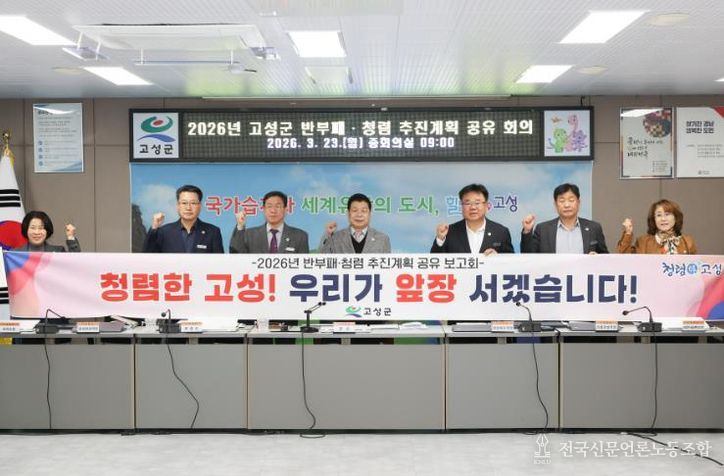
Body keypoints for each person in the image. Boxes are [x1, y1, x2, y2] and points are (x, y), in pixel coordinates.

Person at [520, 183, 608, 254]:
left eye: (571, 200)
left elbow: (605, 258)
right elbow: (528, 257)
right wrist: (527, 231)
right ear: (555, 205)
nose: (567, 205)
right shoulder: (542, 229)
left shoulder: (594, 228)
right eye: (562, 201)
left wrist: (598, 258)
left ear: (578, 203)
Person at [431, 183, 513, 254]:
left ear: (487, 206)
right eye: (467, 203)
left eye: (477, 203)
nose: (473, 207)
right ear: (461, 206)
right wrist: (440, 239)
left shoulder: (501, 232)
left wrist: (498, 258)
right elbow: (434, 262)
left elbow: (512, 262)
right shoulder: (449, 232)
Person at [143, 184, 223, 253]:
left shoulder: (213, 232)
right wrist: (154, 228)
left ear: (200, 206)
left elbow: (220, 262)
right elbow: (147, 256)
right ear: (178, 206)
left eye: (193, 203)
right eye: (184, 203)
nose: (188, 208)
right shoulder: (164, 231)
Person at [229, 190, 309, 253]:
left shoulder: (300, 236)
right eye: (269, 206)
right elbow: (235, 254)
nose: (273, 210)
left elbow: (303, 264)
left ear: (285, 210)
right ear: (264, 209)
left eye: (278, 206)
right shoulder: (249, 235)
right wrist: (240, 226)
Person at [617, 199, 697, 254]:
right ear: (654, 219)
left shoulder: (687, 242)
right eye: (659, 215)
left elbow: (695, 268)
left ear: (675, 218)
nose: (663, 219)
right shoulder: (643, 242)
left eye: (667, 214)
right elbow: (624, 259)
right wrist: (628, 233)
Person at [319, 193, 391, 253]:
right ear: (348, 213)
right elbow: (323, 259)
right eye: (355, 210)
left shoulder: (383, 239)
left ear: (370, 214)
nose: (359, 214)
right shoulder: (336, 238)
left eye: (364, 211)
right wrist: (328, 234)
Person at [12, 210, 80, 252]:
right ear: (26, 229)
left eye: (41, 228)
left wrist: (70, 237)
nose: (36, 232)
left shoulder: (58, 251)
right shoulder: (14, 254)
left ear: (47, 230)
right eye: (33, 228)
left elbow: (75, 262)